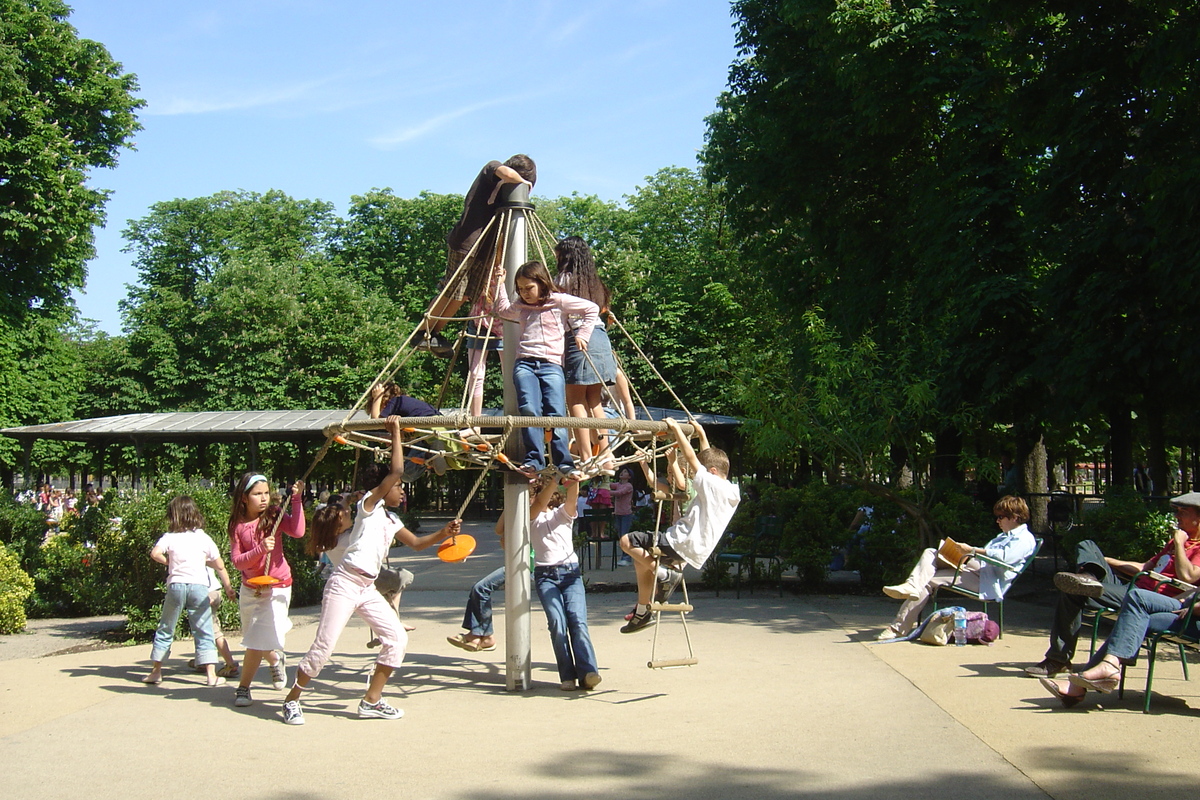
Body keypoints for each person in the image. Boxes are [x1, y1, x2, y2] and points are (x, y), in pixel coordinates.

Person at [281, 416, 461, 725]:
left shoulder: (391, 520)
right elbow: (397, 470)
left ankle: (371, 701)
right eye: (398, 488)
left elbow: (417, 544)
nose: (401, 490)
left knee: (396, 639)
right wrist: (394, 433)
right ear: (382, 488)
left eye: (401, 488)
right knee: (324, 648)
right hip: (345, 582)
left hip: (367, 587)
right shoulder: (368, 505)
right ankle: (292, 699)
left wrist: (443, 533)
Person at [1040, 492, 1200, 707]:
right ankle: (1090, 576)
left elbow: (1188, 577)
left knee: (1134, 600)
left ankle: (1083, 683)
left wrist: (1180, 543)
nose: (1177, 516)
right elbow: (1144, 568)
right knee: (1087, 546)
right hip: (1134, 589)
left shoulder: (1191, 546)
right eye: (1177, 511)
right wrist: (1104, 560)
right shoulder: (1173, 543)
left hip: (1159, 598)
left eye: (1184, 512)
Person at [619, 418, 740, 633]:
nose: (696, 473)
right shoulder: (729, 490)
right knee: (641, 561)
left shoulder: (710, 483)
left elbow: (694, 459)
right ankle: (643, 610)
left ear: (711, 471)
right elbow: (704, 459)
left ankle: (665, 574)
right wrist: (702, 435)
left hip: (680, 540)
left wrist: (676, 429)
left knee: (627, 541)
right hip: (694, 549)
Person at [414, 155, 537, 356]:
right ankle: (422, 331)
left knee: (464, 295)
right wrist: (523, 183)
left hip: (483, 251)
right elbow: (505, 172)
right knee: (452, 289)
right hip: (467, 243)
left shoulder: (503, 198)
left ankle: (434, 333)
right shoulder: (492, 170)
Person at [492, 260, 598, 480]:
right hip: (525, 364)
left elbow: (591, 308)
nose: (525, 293)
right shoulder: (520, 306)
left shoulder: (558, 301)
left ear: (541, 283)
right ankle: (534, 460)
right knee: (529, 409)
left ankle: (563, 462)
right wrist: (500, 284)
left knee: (556, 412)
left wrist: (582, 335)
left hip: (551, 365)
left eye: (529, 288)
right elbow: (501, 310)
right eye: (520, 289)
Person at [877, 495, 1037, 640]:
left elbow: (1004, 557)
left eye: (1001, 517)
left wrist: (972, 550)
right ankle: (911, 585)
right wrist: (965, 553)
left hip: (988, 581)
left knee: (929, 581)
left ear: (1015, 517)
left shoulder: (1025, 539)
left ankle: (898, 628)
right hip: (979, 570)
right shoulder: (1004, 536)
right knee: (931, 552)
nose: (998, 521)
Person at [228, 473, 306, 708]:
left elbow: (298, 531)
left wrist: (296, 500)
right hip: (251, 587)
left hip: (277, 585)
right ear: (244, 498)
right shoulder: (237, 525)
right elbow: (238, 562)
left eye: (265, 493)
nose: (263, 498)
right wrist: (260, 550)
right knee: (253, 637)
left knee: (257, 637)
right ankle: (273, 657)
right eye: (256, 494)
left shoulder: (273, 515)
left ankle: (243, 688)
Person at [143, 496, 235, 688]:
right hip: (198, 586)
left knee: (166, 627)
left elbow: (155, 553)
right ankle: (211, 674)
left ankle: (156, 671)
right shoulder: (203, 537)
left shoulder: (170, 536)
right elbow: (219, 563)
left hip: (176, 584)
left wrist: (170, 562)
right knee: (203, 629)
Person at [554, 236, 619, 475]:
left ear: (565, 256)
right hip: (601, 338)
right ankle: (606, 455)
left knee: (575, 401)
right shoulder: (595, 284)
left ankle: (584, 455)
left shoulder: (563, 280)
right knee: (594, 400)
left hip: (579, 338)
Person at [529, 474, 601, 690]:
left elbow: (572, 496)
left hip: (570, 573)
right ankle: (566, 675)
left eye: (533, 495)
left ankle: (588, 671)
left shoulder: (562, 514)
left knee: (578, 621)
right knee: (557, 624)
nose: (530, 499)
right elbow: (534, 508)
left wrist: (574, 477)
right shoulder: (529, 516)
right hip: (545, 575)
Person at [448, 518, 506, 653]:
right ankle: (482, 636)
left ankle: (481, 635)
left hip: (529, 565)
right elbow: (499, 530)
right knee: (478, 589)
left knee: (481, 589)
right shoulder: (521, 510)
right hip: (516, 561)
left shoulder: (540, 513)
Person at [367, 381, 448, 478]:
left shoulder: (396, 401)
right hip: (443, 428)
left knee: (406, 474)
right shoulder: (410, 404)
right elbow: (408, 435)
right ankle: (434, 456)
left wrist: (377, 397)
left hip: (426, 430)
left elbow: (376, 422)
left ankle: (428, 456)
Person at [612, 467, 636, 567]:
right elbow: (609, 485)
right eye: (622, 472)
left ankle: (627, 558)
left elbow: (619, 493)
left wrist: (605, 492)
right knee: (620, 536)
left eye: (625, 472)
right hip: (618, 513)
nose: (622, 473)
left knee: (624, 536)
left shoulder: (628, 486)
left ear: (629, 476)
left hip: (626, 514)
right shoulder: (617, 485)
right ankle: (624, 557)